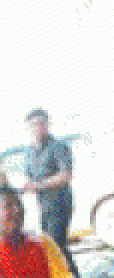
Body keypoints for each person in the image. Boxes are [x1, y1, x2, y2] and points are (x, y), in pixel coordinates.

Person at [21, 110, 76, 277]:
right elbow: (28, 177)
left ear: (48, 125)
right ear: (28, 128)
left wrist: (38, 185)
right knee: (52, 246)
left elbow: (66, 176)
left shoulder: (58, 146)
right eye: (35, 124)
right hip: (43, 207)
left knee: (56, 246)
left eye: (42, 123)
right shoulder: (29, 151)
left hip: (60, 204)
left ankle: (69, 274)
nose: (39, 127)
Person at [1, 187, 73, 278]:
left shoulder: (43, 243)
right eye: (8, 206)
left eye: (19, 205)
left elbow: (64, 275)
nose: (17, 210)